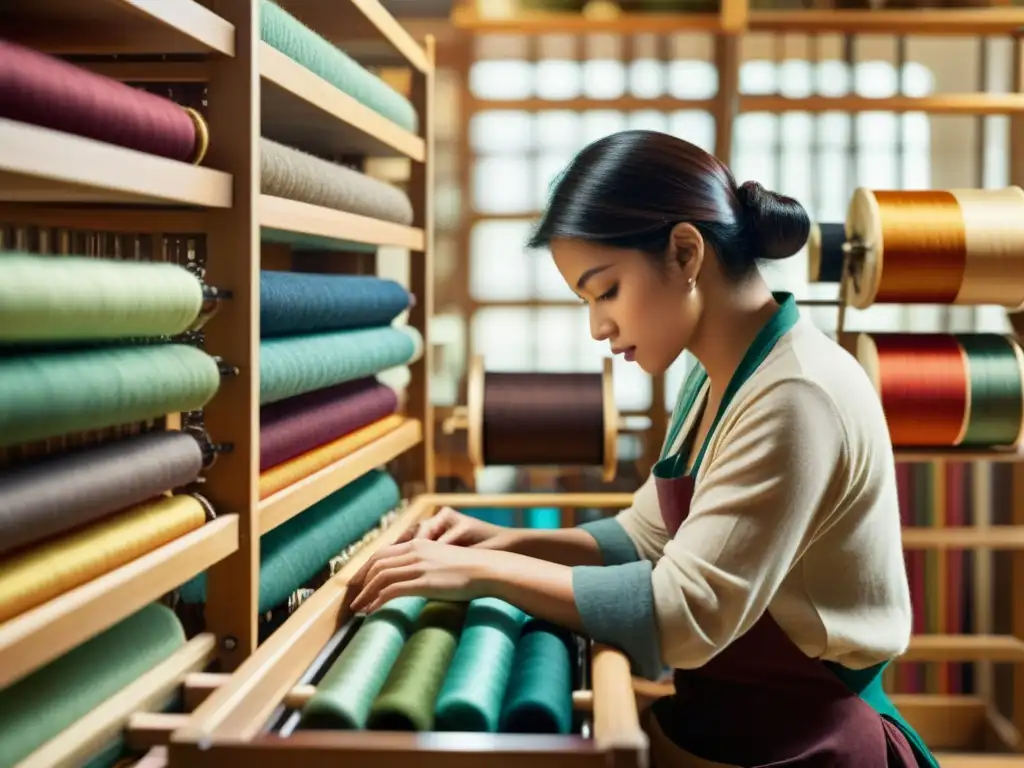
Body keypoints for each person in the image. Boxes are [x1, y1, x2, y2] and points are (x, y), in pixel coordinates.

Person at [350, 129, 938, 768]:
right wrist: (499, 540)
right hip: (734, 720)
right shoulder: (716, 372)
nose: (598, 326)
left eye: (605, 291)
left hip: (807, 741)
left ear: (686, 253)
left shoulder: (795, 395)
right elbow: (648, 537)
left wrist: (483, 573)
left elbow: (685, 618)